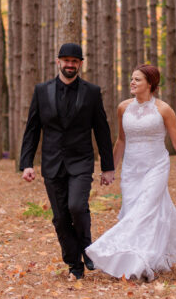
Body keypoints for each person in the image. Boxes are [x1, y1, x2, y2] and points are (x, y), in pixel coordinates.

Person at [86, 64, 176, 281]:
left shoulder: (164, 110)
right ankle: (137, 259)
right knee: (135, 212)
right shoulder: (123, 108)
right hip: (131, 170)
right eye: (132, 79)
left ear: (150, 84)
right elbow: (121, 140)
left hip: (156, 167)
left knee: (145, 211)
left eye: (137, 80)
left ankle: (138, 260)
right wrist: (110, 169)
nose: (132, 82)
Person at [19, 43, 115, 280]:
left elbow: (102, 129)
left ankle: (87, 247)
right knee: (60, 217)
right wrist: (27, 163)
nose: (70, 65)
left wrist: (108, 167)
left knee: (76, 207)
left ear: (80, 64)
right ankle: (74, 264)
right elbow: (32, 129)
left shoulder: (92, 92)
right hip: (52, 163)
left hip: (81, 161)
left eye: (75, 61)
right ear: (58, 62)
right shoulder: (42, 91)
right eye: (66, 60)